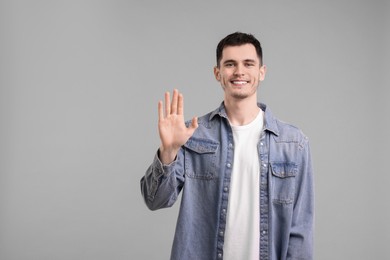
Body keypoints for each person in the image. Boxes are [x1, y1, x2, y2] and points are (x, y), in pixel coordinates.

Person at [140, 32, 314, 260]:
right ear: (217, 73)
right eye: (230, 64)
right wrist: (169, 152)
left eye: (248, 64)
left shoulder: (293, 144)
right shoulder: (192, 134)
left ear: (261, 72)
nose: (239, 71)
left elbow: (300, 230)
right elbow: (155, 200)